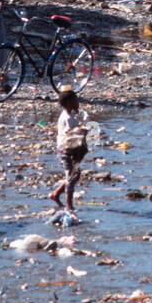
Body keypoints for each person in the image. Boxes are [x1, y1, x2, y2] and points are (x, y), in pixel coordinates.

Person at [49, 87, 88, 216]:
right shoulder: (68, 119)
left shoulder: (66, 116)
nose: (78, 103)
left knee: (74, 174)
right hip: (67, 149)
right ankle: (69, 205)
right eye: (76, 101)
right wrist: (82, 128)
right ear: (70, 102)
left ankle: (56, 194)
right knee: (71, 176)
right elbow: (71, 134)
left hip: (64, 148)